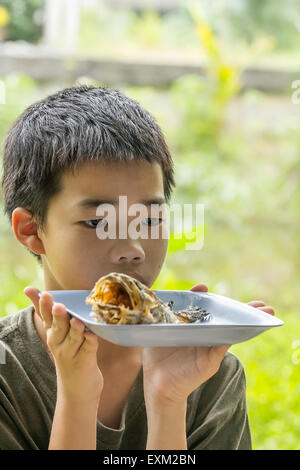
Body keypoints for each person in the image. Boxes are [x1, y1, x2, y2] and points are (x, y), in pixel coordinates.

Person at [0, 86, 275, 450]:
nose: (132, 248)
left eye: (149, 219)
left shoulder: (208, 373)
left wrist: (168, 402)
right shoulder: (9, 374)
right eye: (99, 223)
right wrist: (77, 400)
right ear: (32, 230)